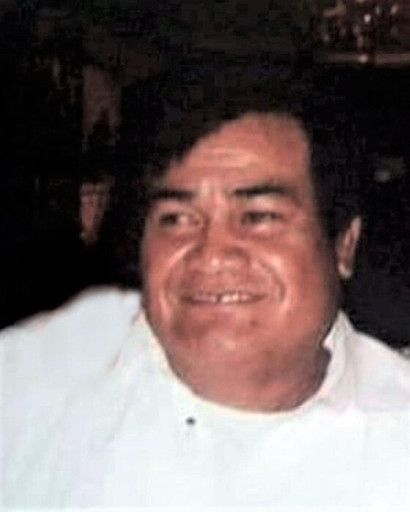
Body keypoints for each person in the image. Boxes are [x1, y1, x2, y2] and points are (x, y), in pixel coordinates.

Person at [1, 110, 410, 509]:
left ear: (344, 245)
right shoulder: (30, 402)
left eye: (258, 217)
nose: (212, 255)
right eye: (178, 219)